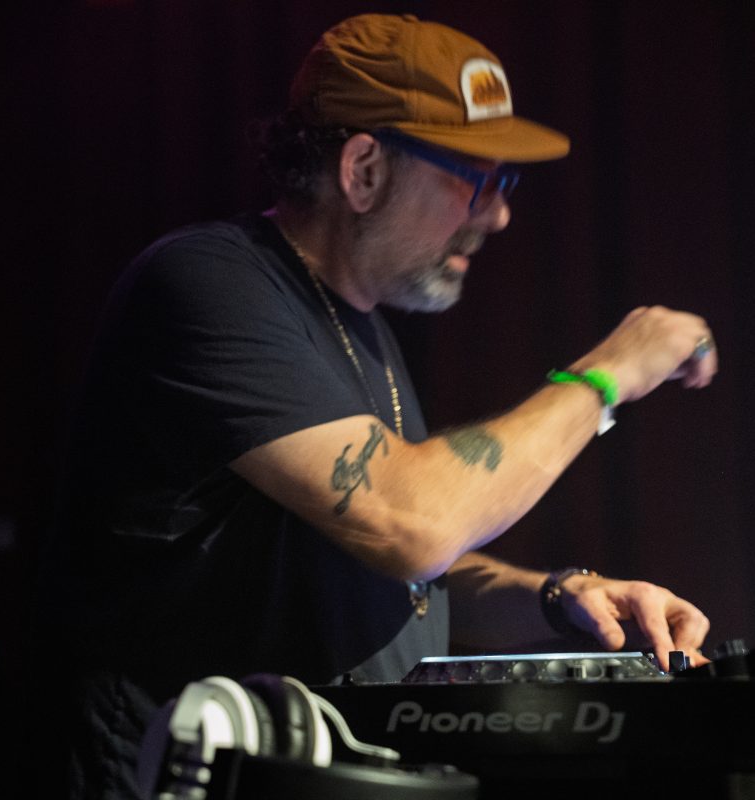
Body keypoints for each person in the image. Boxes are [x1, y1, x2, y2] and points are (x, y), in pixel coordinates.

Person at [36, 13, 718, 799]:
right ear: (363, 169)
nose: (498, 214)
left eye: (507, 184)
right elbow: (413, 525)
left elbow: (405, 578)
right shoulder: (208, 285)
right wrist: (607, 374)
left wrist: (559, 597)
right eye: (478, 180)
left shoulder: (363, 329)